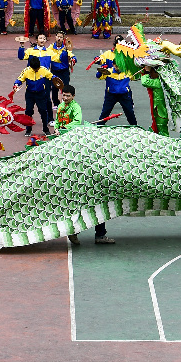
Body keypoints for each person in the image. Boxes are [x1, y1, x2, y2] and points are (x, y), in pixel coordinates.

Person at [57, 85, 115, 245]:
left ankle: (92, 234)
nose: (65, 98)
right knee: (95, 206)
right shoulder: (61, 107)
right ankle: (88, 233)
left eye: (68, 96)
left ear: (73, 96)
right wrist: (57, 129)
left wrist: (65, 129)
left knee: (89, 206)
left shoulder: (76, 108)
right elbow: (58, 122)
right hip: (88, 184)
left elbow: (76, 123)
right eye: (64, 95)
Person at [95, 37, 137, 126]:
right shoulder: (108, 71)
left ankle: (135, 127)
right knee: (105, 112)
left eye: (119, 65)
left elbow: (137, 76)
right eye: (116, 65)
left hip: (124, 95)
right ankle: (99, 126)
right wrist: (100, 70)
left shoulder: (127, 72)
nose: (118, 67)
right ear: (113, 65)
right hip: (111, 95)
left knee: (130, 112)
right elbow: (98, 76)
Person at [14, 55, 55, 137]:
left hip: (41, 94)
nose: (36, 70)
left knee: (43, 111)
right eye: (35, 69)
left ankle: (45, 129)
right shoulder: (26, 71)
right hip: (30, 94)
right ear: (31, 67)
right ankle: (28, 130)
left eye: (37, 68)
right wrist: (16, 84)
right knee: (28, 111)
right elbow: (19, 79)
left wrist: (56, 80)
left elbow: (52, 76)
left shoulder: (43, 70)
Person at [47, 31, 75, 108]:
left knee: (66, 87)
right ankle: (56, 103)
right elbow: (50, 56)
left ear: (63, 39)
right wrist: (61, 57)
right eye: (58, 36)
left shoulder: (66, 47)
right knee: (54, 88)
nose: (59, 38)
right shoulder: (51, 47)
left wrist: (73, 59)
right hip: (54, 71)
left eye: (61, 37)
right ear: (55, 37)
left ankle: (66, 102)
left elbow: (71, 54)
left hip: (64, 71)